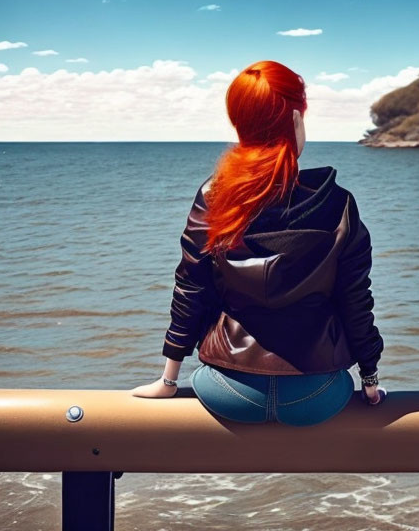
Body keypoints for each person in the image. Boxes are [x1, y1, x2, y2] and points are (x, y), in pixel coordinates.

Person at [131, 60, 385, 425]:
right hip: (318, 393)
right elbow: (355, 298)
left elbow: (191, 289)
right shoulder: (338, 203)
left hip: (227, 388)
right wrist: (370, 379)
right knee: (333, 383)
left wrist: (169, 380)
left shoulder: (214, 196)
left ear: (239, 124)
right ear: (297, 119)